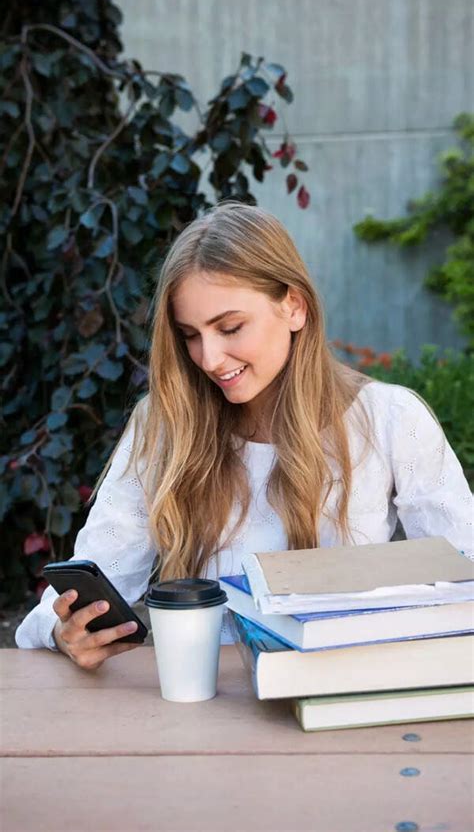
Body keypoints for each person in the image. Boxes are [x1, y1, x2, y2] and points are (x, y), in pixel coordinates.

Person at [15, 202, 473, 668]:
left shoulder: (390, 419)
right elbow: (88, 582)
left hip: (343, 688)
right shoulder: (166, 424)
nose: (209, 358)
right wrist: (63, 630)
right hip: (204, 695)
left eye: (230, 327)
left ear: (294, 306)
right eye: (190, 335)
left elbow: (466, 571)